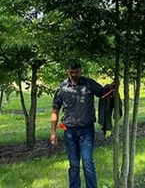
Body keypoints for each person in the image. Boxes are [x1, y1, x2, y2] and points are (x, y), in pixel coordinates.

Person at [50, 60, 117, 188]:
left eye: (77, 72)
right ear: (67, 71)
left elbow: (103, 92)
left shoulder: (88, 83)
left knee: (87, 161)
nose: (74, 75)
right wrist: (53, 132)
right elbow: (55, 110)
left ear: (80, 71)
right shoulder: (62, 88)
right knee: (74, 164)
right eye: (71, 72)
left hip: (87, 130)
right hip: (69, 131)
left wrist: (112, 86)